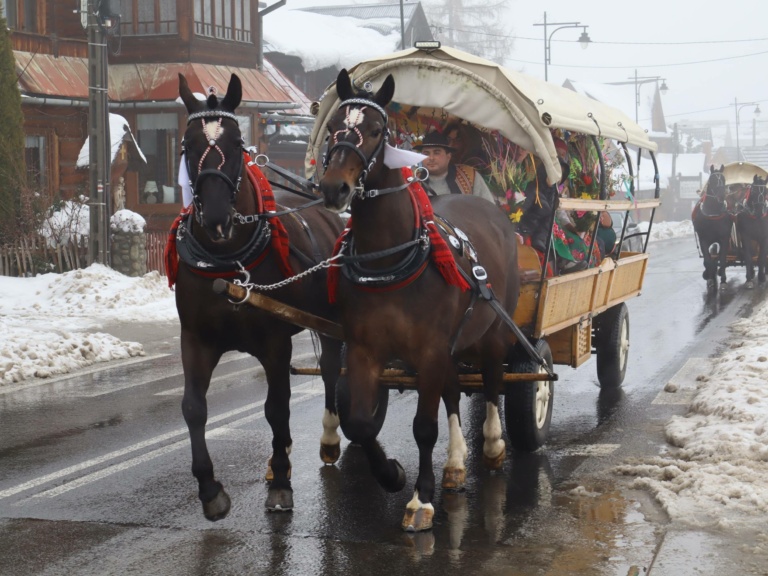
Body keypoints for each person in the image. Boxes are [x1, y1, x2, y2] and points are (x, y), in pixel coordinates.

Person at [414, 130, 497, 204]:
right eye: (426, 153)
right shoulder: (413, 181)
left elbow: (488, 207)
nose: (431, 158)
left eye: (436, 152)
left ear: (448, 156)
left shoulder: (469, 176)